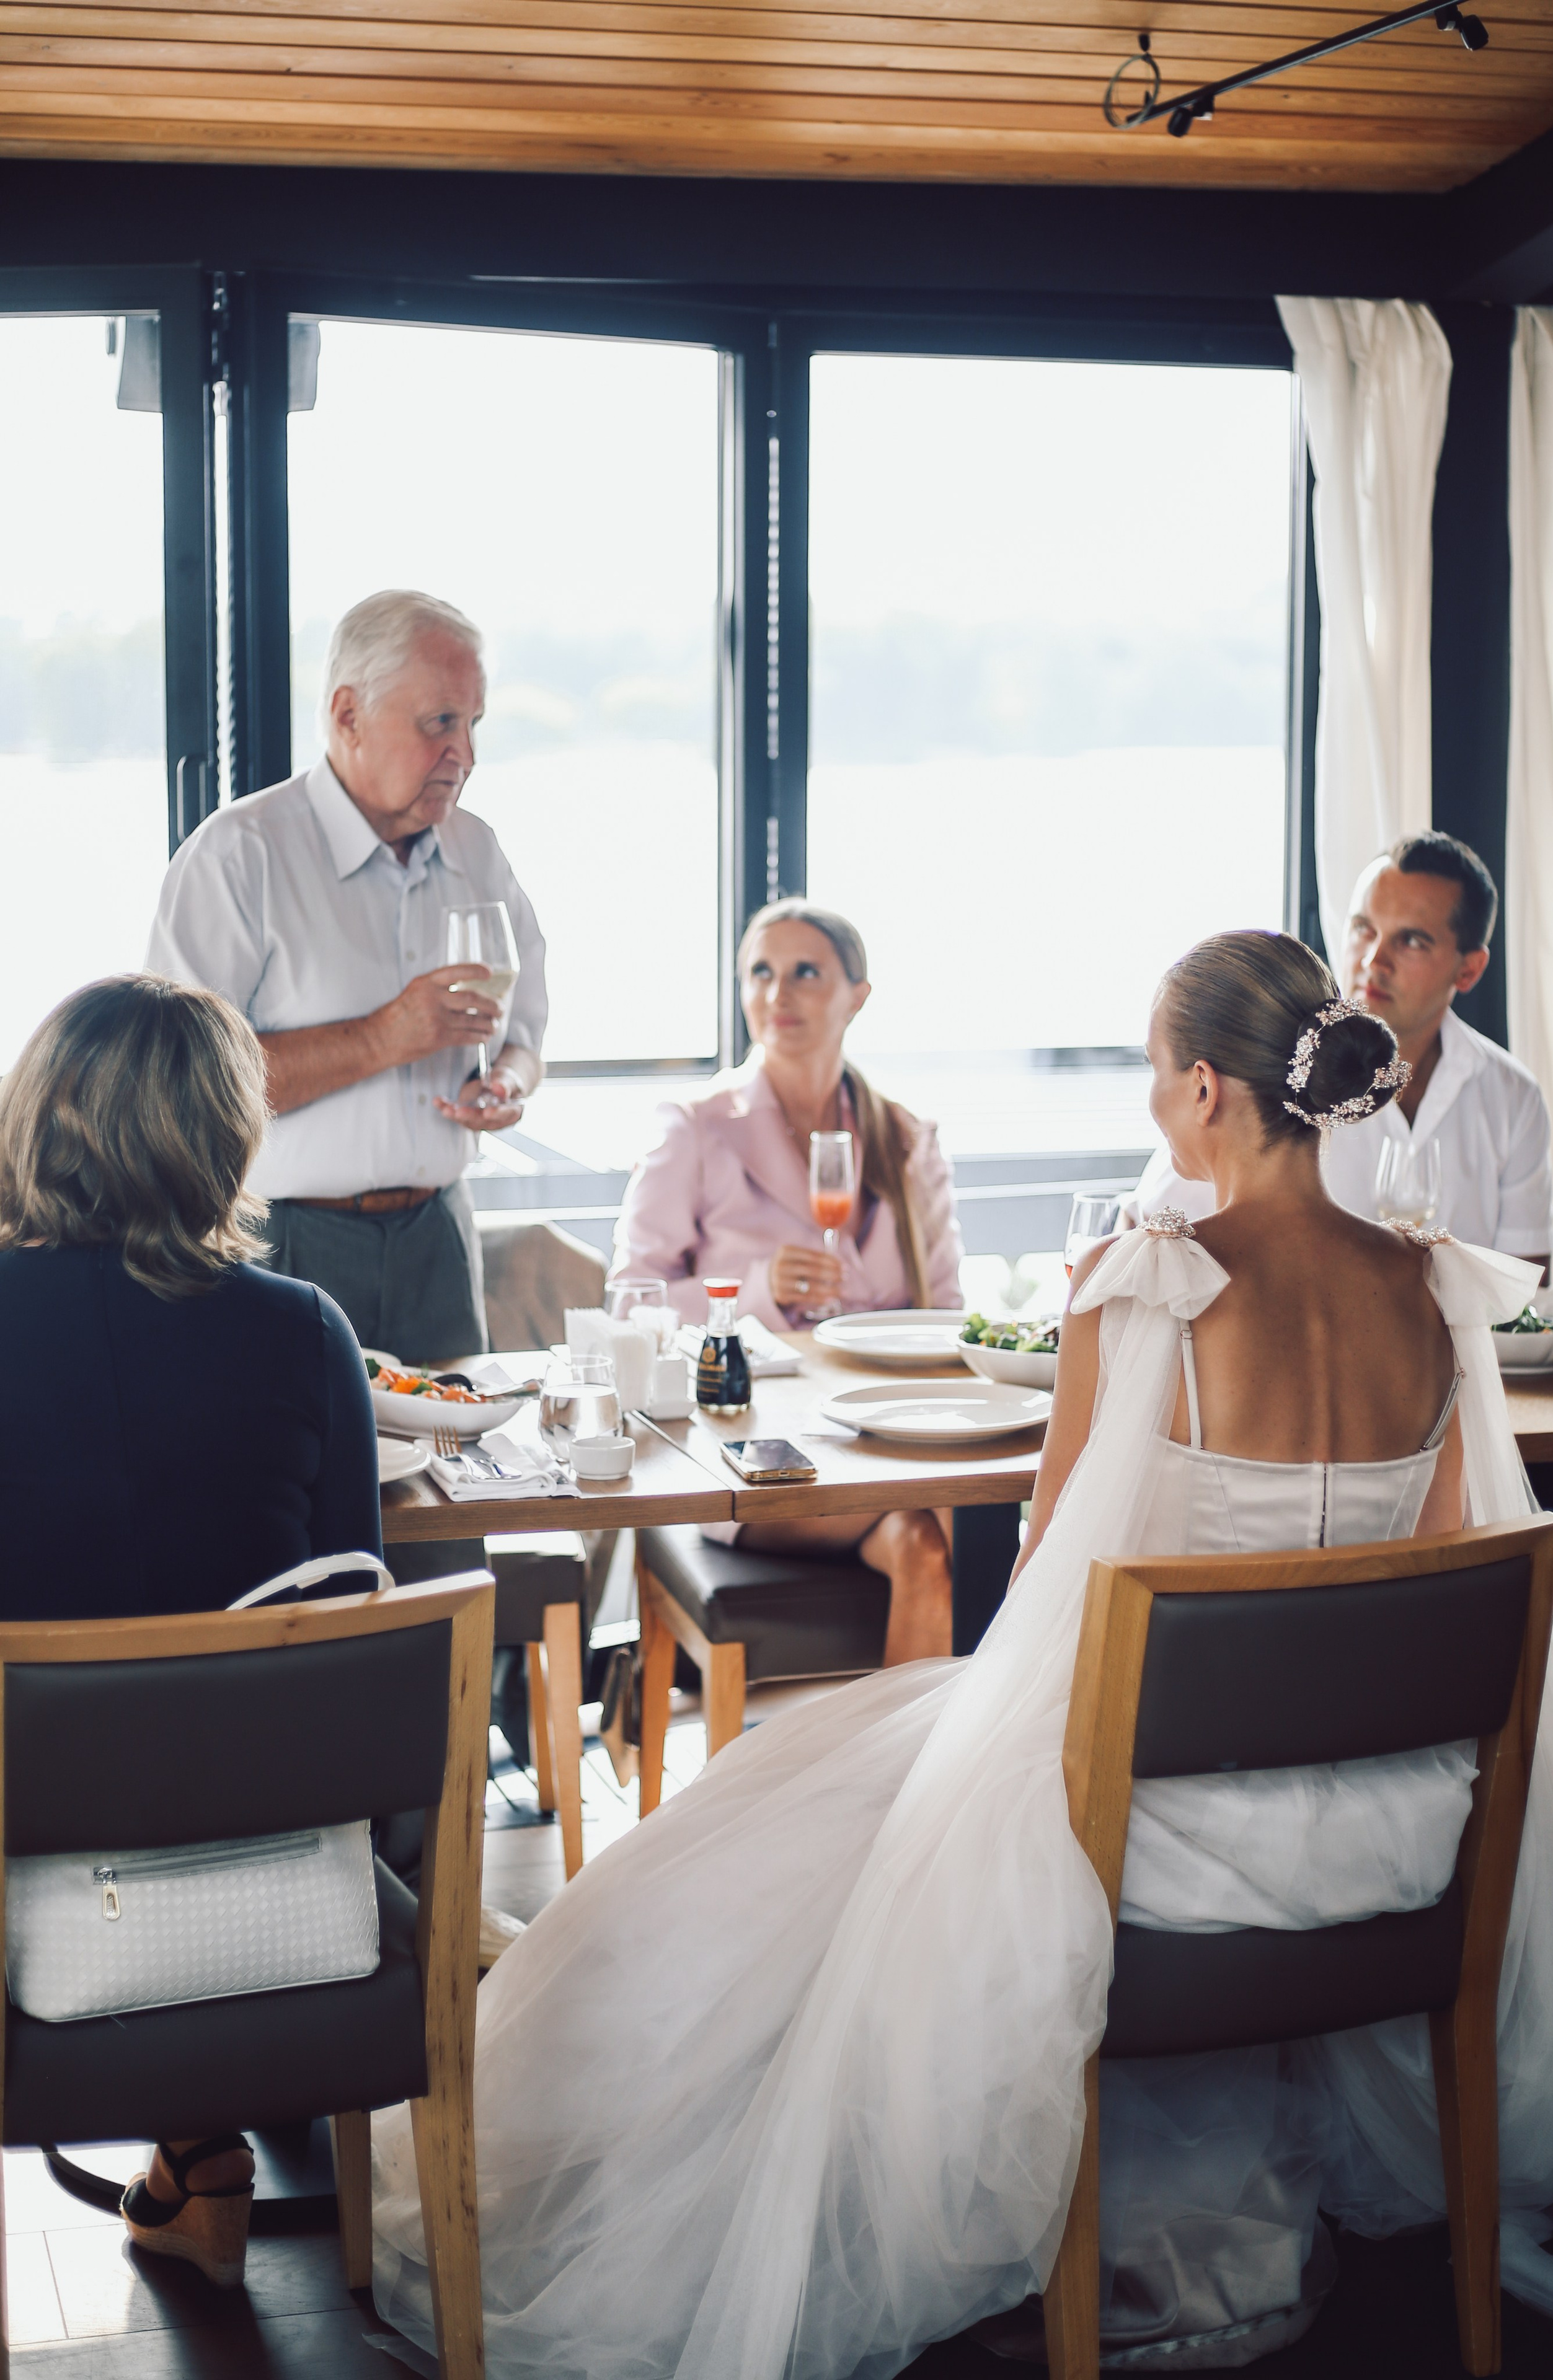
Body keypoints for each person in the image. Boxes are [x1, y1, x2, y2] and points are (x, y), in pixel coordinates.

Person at [368, 928, 1553, 2375]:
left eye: (1150, 1075)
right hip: (1398, 1847)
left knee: (795, 1830)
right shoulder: (1433, 1288)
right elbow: (1430, 1559)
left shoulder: (1147, 1285)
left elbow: (1056, 1582)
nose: (1151, 1103)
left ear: (1203, 1089)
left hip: (1172, 1846)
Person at [0, 974, 383, 2290]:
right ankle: (199, 2148)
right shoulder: (303, 1332)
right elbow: (350, 1605)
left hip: (26, 1839)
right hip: (265, 1859)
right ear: (224, 1136)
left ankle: (197, 2152)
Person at [146, 588, 548, 1366]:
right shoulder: (239, 856)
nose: (464, 753)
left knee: (467, 1485)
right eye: (440, 722)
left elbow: (526, 1032)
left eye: (472, 724)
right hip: (284, 1243)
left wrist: (509, 1083)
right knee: (280, 1480)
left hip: (440, 1237)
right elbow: (183, 1088)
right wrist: (387, 1036)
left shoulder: (480, 852)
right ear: (347, 714)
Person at [611, 899, 965, 1663]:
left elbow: (947, 1316)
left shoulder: (904, 1139)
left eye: (806, 972)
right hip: (749, 1446)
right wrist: (756, 1288)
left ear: (857, 997)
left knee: (928, 1548)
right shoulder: (695, 1126)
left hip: (884, 1436)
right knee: (951, 1534)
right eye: (760, 973)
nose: (779, 994)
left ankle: (916, 1779)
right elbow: (629, 1304)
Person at [1126, 834, 1553, 1269]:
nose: (1373, 960)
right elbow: (1140, 1231)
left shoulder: (1514, 1098)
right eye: (1363, 928)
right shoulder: (1270, 1083)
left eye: (1411, 941)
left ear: (1470, 968)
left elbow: (1525, 1286)